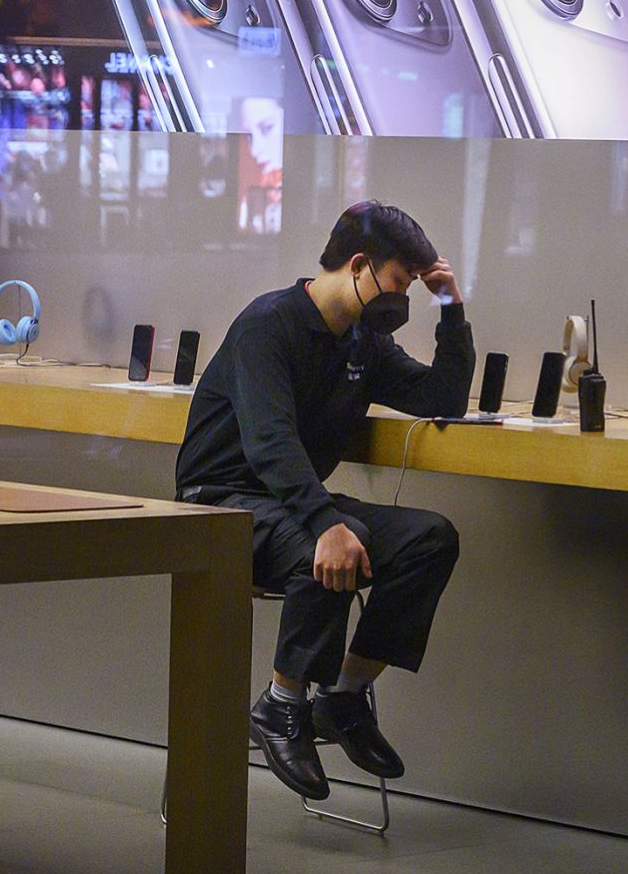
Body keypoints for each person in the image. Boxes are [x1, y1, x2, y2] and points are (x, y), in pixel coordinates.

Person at [175, 201, 473, 800]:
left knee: (430, 539)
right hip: (219, 501)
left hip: (289, 501)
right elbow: (268, 443)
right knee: (330, 542)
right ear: (360, 266)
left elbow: (443, 397)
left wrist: (452, 309)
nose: (405, 297)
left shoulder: (362, 342)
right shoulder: (269, 325)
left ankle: (342, 698)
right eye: (401, 282)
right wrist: (326, 523)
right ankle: (282, 706)